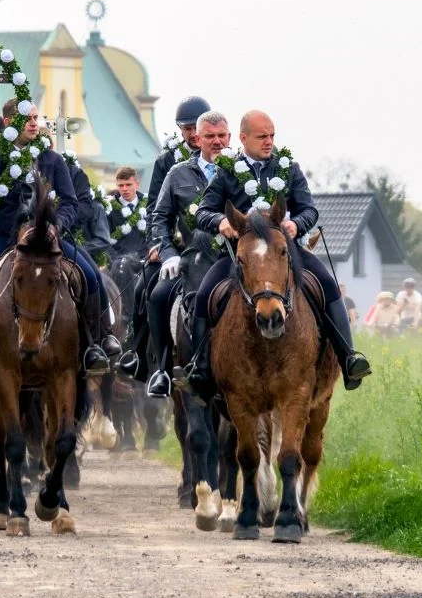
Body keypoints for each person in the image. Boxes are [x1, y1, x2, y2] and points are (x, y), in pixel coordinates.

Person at [186, 110, 371, 395]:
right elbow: (203, 212)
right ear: (244, 138)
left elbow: (310, 209)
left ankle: (348, 357)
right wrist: (220, 222)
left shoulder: (289, 168)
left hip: (287, 252)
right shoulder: (225, 172)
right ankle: (199, 369)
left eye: (272, 136)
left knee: (328, 285)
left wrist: (297, 224)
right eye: (262, 136)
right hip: (243, 256)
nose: (269, 142)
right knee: (204, 295)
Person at [0, 104, 113, 379]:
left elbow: (70, 202)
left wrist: (56, 226)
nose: (33, 123)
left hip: (44, 239)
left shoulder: (52, 160)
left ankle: (98, 343)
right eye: (26, 119)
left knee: (90, 274)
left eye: (35, 118)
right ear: (8, 122)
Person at [144, 108, 230, 399]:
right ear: (198, 138)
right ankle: (164, 370)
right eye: (208, 136)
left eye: (221, 136)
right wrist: (167, 253)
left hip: (230, 256)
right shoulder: (177, 173)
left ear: (229, 137)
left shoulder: (239, 170)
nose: (215, 141)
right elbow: (160, 217)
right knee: (157, 296)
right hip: (189, 258)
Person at [146, 96, 211, 209]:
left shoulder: (222, 157)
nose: (193, 134)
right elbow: (154, 206)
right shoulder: (166, 160)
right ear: (180, 128)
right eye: (187, 129)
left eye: (196, 127)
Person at [107, 167, 150, 259]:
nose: (124, 189)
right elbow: (105, 240)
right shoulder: (109, 209)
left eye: (128, 184)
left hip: (147, 260)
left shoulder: (150, 205)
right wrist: (116, 261)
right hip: (119, 262)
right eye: (121, 185)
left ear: (137, 184)